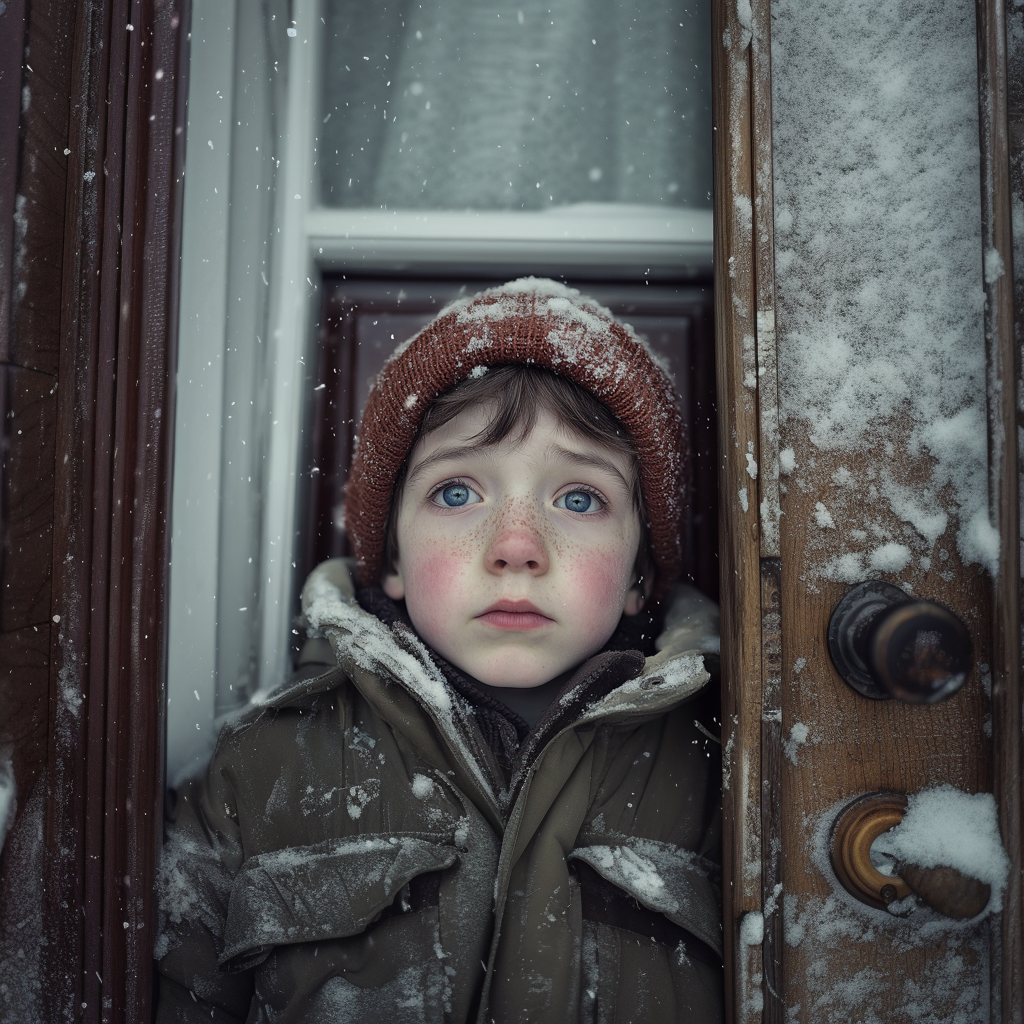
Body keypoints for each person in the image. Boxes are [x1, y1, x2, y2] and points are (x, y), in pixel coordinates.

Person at [155, 278, 724, 1023]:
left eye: (578, 498)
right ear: (390, 560)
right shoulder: (258, 776)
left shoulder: (725, 774)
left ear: (638, 576)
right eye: (458, 492)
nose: (516, 547)